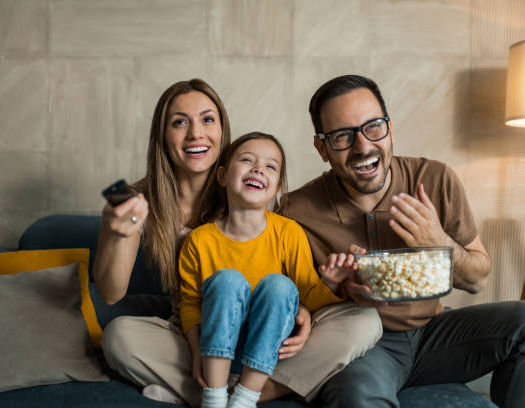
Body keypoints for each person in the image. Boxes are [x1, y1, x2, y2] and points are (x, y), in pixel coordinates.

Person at [95, 79, 379, 407]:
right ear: (163, 135)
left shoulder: (254, 193)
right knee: (118, 336)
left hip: (270, 330)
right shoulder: (139, 203)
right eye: (179, 122)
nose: (195, 134)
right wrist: (117, 232)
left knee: (365, 321)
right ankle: (231, 392)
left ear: (222, 129)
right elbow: (113, 293)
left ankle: (235, 394)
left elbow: (294, 284)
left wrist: (306, 309)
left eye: (207, 120)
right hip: (201, 333)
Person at [279, 74, 525, 408]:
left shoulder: (435, 179)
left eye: (374, 127)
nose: (363, 146)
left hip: (436, 333)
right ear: (322, 148)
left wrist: (439, 242)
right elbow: (292, 306)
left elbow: (478, 279)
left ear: (390, 129)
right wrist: (338, 291)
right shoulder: (294, 211)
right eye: (342, 136)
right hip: (366, 346)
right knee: (356, 395)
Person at [179, 132, 361, 408]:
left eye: (270, 166)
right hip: (213, 350)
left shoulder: (288, 232)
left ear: (276, 187)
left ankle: (244, 398)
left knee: (281, 286)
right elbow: (191, 305)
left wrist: (330, 283)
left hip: (270, 354)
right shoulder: (199, 240)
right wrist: (196, 355)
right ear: (222, 175)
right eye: (247, 160)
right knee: (227, 281)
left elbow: (304, 299)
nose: (258, 169)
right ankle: (214, 398)